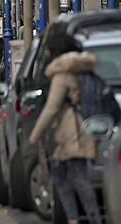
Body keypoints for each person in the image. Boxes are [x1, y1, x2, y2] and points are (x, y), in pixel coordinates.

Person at [28, 28, 102, 224]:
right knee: (68, 175)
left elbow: (52, 108)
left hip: (72, 131)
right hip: (85, 126)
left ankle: (79, 219)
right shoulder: (84, 68)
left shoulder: (62, 74)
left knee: (74, 178)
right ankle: (80, 218)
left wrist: (35, 135)